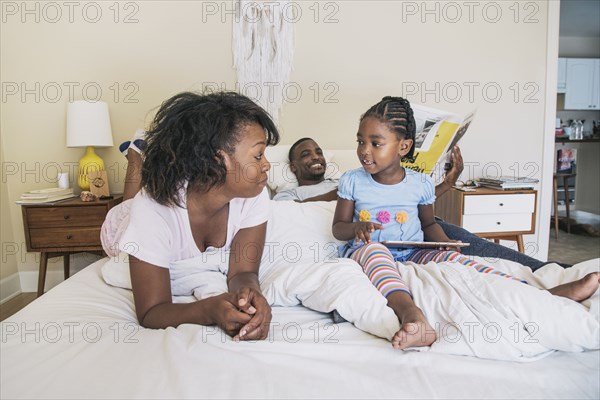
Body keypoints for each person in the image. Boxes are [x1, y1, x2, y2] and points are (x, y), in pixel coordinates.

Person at [331, 96, 600, 349]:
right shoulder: (352, 181)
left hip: (412, 251)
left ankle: (543, 293)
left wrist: (446, 244)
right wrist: (356, 228)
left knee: (463, 263)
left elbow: (428, 224)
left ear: (404, 146)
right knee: (376, 252)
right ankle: (412, 316)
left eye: (375, 143)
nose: (364, 151)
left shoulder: (420, 183)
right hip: (370, 251)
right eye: (360, 141)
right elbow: (338, 228)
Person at [101, 91, 279, 341]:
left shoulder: (255, 194)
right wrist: (209, 309)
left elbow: (242, 273)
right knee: (130, 202)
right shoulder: (152, 209)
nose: (267, 165)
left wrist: (249, 299)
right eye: (258, 155)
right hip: (122, 224)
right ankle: (136, 156)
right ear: (219, 160)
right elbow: (151, 311)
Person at [275, 137, 568, 271]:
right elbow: (292, 216)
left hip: (409, 226)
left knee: (459, 241)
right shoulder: (289, 195)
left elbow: (407, 201)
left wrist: (446, 184)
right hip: (369, 239)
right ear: (292, 165)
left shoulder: (351, 179)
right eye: (305, 154)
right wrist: (343, 191)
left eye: (318, 151)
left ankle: (543, 270)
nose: (316, 157)